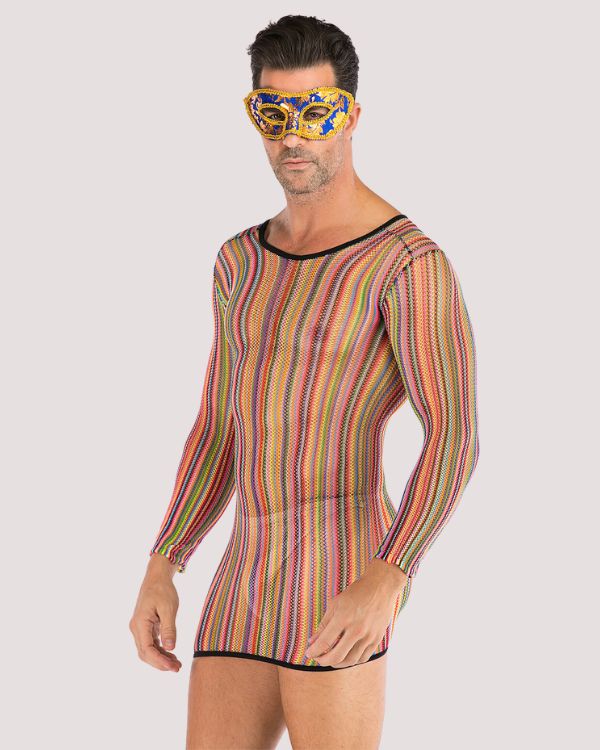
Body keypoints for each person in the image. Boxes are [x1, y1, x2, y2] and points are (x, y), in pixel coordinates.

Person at [129, 14, 480, 749]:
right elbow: (218, 427)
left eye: (314, 113)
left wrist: (392, 572)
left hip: (342, 564)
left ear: (350, 116)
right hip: (244, 572)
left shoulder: (405, 263)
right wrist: (164, 562)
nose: (293, 138)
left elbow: (454, 434)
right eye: (273, 114)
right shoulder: (238, 261)